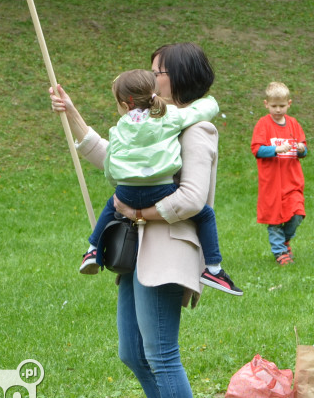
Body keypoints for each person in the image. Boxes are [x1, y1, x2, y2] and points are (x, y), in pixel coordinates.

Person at [49, 42, 238, 398]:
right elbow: (115, 160)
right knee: (133, 353)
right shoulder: (150, 122)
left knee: (161, 354)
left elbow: (192, 198)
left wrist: (137, 212)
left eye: (158, 72)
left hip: (168, 250)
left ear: (179, 78)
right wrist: (72, 114)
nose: (150, 79)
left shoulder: (197, 127)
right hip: (136, 252)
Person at [79, 70, 222, 286]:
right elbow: (198, 112)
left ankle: (92, 250)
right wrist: (210, 101)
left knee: (111, 206)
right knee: (205, 215)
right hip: (161, 190)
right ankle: (214, 269)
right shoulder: (169, 117)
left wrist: (118, 184)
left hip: (127, 191)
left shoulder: (119, 128)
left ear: (126, 105)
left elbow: (110, 165)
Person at [251, 81, 307, 265]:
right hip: (272, 183)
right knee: (274, 220)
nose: (278, 110)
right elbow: (257, 150)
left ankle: (284, 241)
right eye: (274, 106)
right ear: (266, 104)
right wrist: (275, 149)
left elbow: (304, 150)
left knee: (297, 214)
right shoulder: (263, 124)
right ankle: (280, 252)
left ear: (289, 104)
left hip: (292, 181)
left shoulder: (293, 124)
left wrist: (300, 148)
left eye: (282, 106)